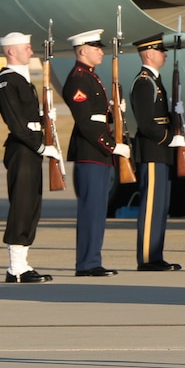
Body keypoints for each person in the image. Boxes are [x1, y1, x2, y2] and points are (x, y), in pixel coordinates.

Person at [0, 31, 58, 283]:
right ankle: (15, 268)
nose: (31, 51)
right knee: (22, 205)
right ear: (11, 51)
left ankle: (22, 264)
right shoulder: (7, 81)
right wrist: (40, 146)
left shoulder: (22, 79)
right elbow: (17, 123)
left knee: (32, 205)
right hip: (22, 148)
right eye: (26, 48)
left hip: (31, 146)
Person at [63, 28, 129, 277]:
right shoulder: (79, 79)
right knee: (91, 210)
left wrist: (115, 111)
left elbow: (98, 115)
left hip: (99, 153)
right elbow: (86, 122)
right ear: (82, 51)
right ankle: (87, 263)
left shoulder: (91, 77)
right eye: (96, 48)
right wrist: (112, 146)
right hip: (91, 151)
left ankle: (92, 260)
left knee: (98, 210)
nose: (101, 52)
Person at [131, 34, 183, 272]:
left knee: (161, 206)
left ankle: (155, 254)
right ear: (149, 54)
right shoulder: (144, 82)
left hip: (160, 152)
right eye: (161, 50)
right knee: (151, 206)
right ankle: (147, 258)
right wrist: (169, 138)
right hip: (153, 150)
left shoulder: (155, 81)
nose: (165, 54)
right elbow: (145, 123)